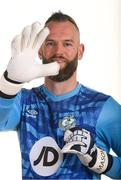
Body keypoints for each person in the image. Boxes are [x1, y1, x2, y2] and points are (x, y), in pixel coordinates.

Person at [0, 11, 121, 180]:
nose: (58, 51)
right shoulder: (23, 101)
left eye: (67, 44)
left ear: (80, 51)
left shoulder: (104, 107)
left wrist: (100, 160)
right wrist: (9, 82)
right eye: (50, 43)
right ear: (40, 51)